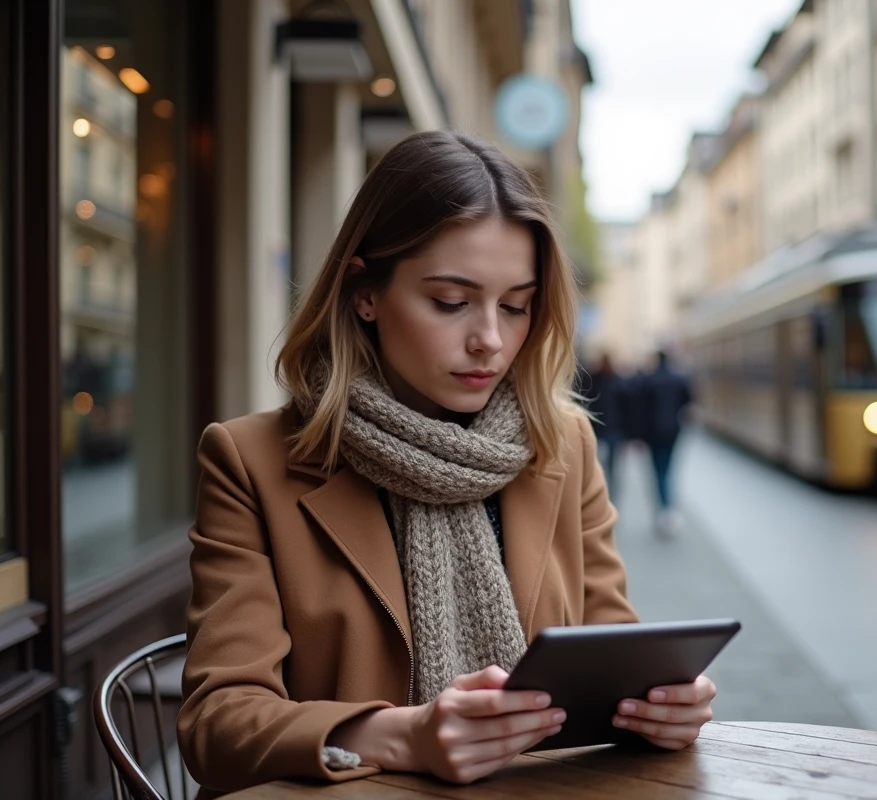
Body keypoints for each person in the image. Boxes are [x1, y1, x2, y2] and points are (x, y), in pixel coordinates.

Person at [177, 131, 718, 796]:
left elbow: (609, 655)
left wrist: (656, 707)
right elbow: (218, 723)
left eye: (516, 306)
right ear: (364, 292)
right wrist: (406, 735)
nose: (490, 339)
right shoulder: (252, 462)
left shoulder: (563, 445)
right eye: (451, 301)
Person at [634, 350, 693, 535]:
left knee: (657, 470)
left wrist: (638, 436)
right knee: (668, 468)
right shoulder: (679, 378)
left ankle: (662, 509)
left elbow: (640, 411)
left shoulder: (648, 380)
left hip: (652, 432)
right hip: (673, 430)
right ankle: (668, 509)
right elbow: (688, 402)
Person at [578, 353, 627, 489]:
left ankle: (600, 484)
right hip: (612, 426)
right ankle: (607, 485)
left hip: (600, 425)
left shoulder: (595, 381)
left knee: (598, 459)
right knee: (609, 461)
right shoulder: (617, 381)